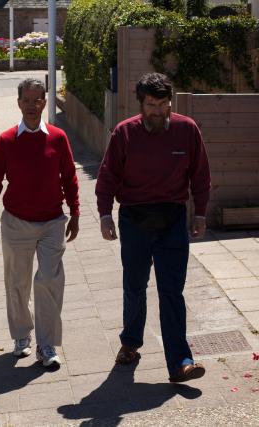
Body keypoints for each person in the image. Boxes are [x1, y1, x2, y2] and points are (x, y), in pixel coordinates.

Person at [95, 72, 211, 382]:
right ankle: (131, 343)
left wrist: (199, 214)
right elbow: (107, 177)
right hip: (134, 220)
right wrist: (105, 214)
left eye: (163, 104)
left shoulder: (187, 130)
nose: (158, 111)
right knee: (135, 287)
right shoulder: (124, 133)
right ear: (140, 104)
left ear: (170, 102)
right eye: (151, 105)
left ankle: (181, 361)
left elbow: (200, 175)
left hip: (172, 220)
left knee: (171, 291)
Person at [0, 78, 80, 368]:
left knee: (48, 281)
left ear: (45, 102)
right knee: (17, 283)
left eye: (38, 100)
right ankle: (22, 335)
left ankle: (47, 346)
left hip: (52, 223)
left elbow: (70, 178)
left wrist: (76, 213)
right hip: (16, 223)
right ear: (18, 103)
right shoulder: (7, 141)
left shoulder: (58, 138)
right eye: (27, 100)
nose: (32, 105)